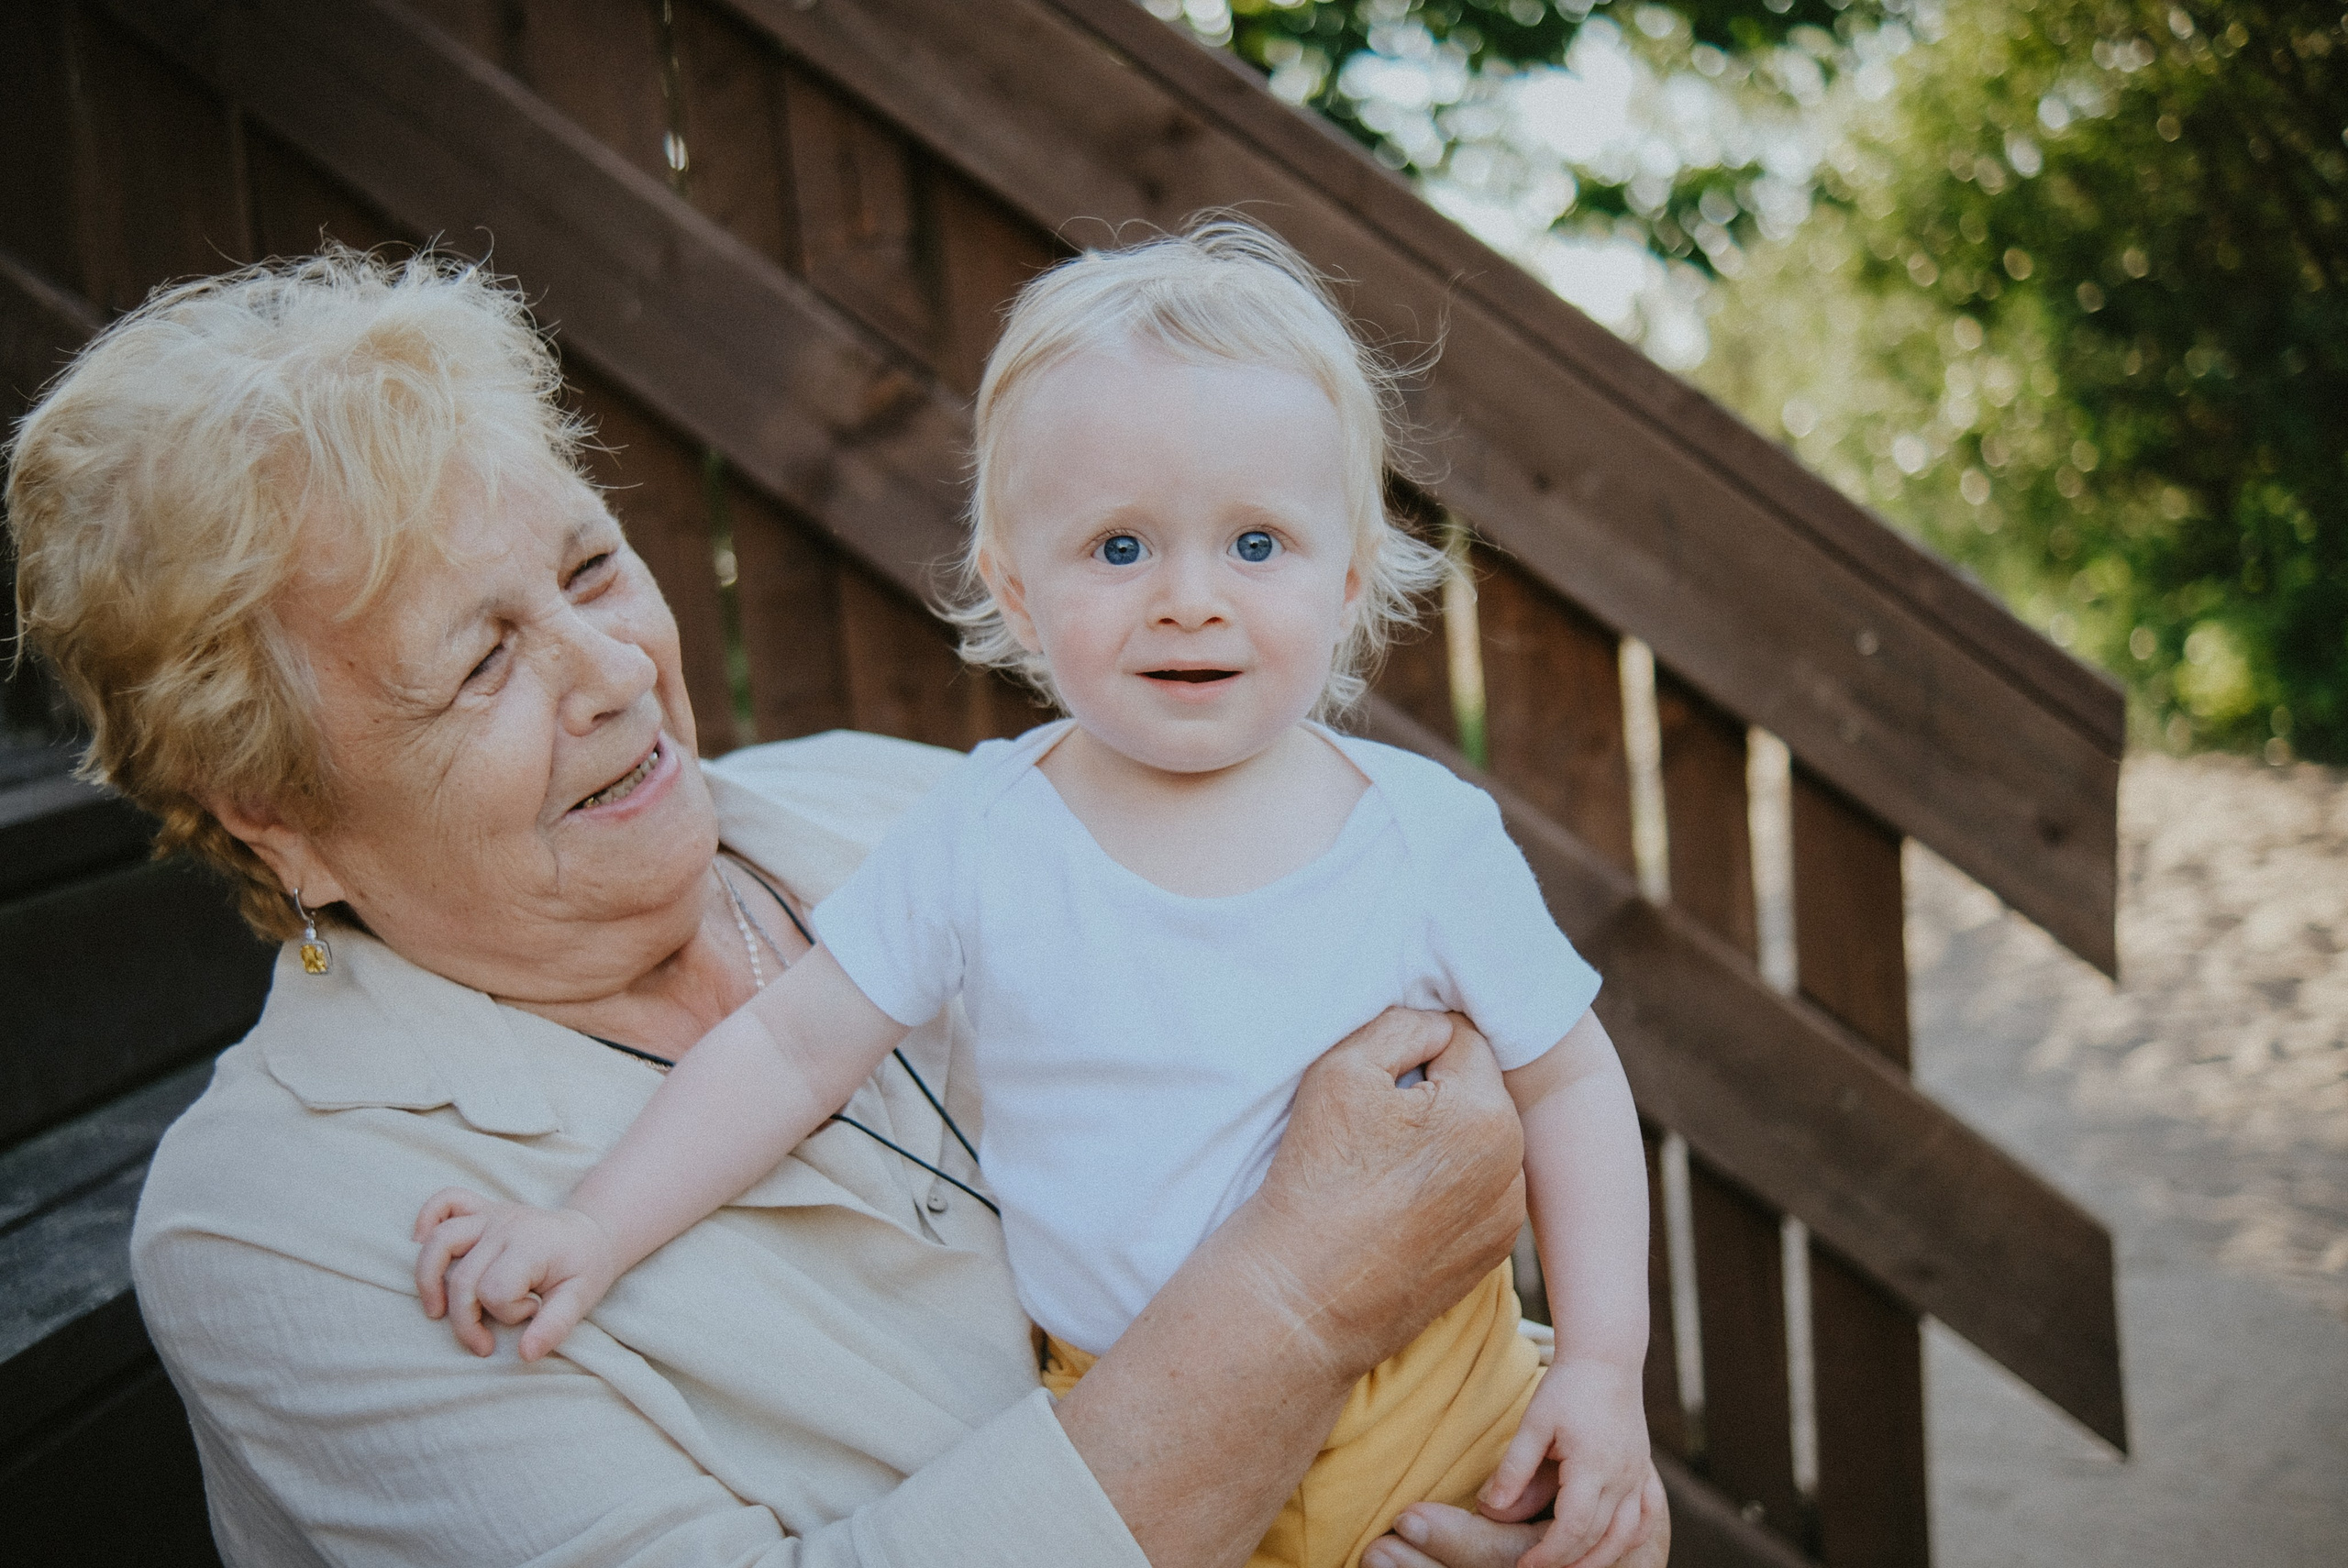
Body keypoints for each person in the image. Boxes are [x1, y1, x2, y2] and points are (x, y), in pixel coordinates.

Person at [6, 248, 1664, 1568]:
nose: (611, 674)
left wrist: (1520, 1464)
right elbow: (1348, 1220)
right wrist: (1299, 1302)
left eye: (588, 573)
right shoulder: (282, 1227)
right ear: (281, 810)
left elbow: (1419, 1124)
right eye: (480, 660)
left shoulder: (889, 798)